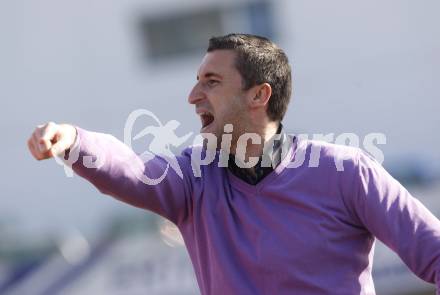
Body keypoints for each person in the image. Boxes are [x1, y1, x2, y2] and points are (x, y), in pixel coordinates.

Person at [27, 33, 440, 294]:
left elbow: (433, 251)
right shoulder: (193, 178)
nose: (192, 96)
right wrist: (73, 141)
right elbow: (132, 171)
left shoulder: (346, 171)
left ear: (258, 96)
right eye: (197, 80)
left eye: (211, 82)